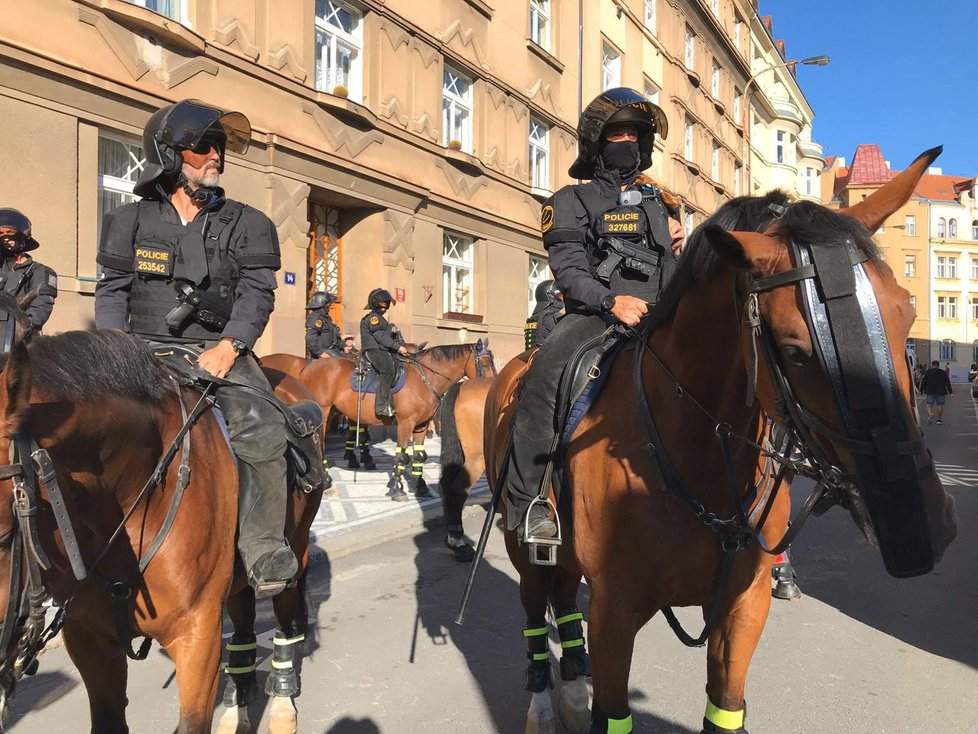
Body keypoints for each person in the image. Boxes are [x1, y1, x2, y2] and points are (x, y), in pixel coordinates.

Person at [94, 98, 298, 597]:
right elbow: (111, 293)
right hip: (141, 352)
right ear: (169, 153)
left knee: (262, 423)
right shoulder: (130, 221)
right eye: (204, 146)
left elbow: (257, 292)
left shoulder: (246, 222)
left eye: (220, 147)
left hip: (219, 349)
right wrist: (116, 355)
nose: (216, 156)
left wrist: (231, 347)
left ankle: (263, 545)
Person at [508, 88, 684, 539]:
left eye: (634, 134)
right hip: (594, 315)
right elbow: (567, 271)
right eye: (616, 133)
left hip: (660, 316)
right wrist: (611, 301)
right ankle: (529, 503)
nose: (626, 141)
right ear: (597, 143)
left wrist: (682, 252)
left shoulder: (658, 204)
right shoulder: (568, 199)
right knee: (544, 372)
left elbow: (671, 269)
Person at [0, 208, 58, 329]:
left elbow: (42, 304)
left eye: (10, 233)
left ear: (22, 236)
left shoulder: (40, 271)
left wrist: (26, 326)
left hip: (16, 334)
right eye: (1, 234)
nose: (5, 238)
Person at [360, 288, 407, 418]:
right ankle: (381, 406)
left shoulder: (381, 319)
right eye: (382, 303)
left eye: (387, 304)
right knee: (388, 372)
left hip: (383, 350)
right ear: (375, 303)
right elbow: (380, 336)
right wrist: (398, 347)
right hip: (374, 351)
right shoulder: (373, 318)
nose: (385, 306)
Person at [524, 279, 564, 349]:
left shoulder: (533, 318)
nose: (562, 299)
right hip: (549, 358)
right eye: (559, 296)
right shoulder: (553, 317)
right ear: (550, 296)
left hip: (532, 358)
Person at [304, 291, 342, 358]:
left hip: (332, 351)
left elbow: (334, 338)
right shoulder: (315, 318)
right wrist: (319, 353)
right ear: (322, 304)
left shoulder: (326, 319)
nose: (329, 307)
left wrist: (344, 346)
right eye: (328, 305)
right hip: (323, 354)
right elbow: (310, 337)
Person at [919, 360, 953, 425]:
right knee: (940, 405)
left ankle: (931, 413)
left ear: (932, 365)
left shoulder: (928, 372)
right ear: (938, 365)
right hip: (941, 391)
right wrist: (950, 392)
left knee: (929, 404)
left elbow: (924, 382)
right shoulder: (943, 372)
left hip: (930, 390)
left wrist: (921, 390)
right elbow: (947, 383)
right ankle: (939, 420)